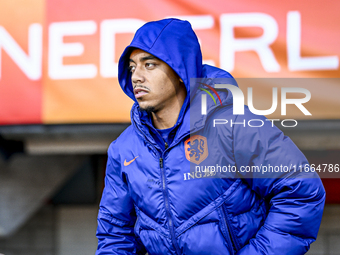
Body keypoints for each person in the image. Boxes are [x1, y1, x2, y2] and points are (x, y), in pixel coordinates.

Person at [96, 18, 325, 255]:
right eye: (132, 67)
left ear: (180, 70)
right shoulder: (124, 149)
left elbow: (301, 190)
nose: (136, 77)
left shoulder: (234, 126)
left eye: (150, 65)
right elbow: (114, 232)